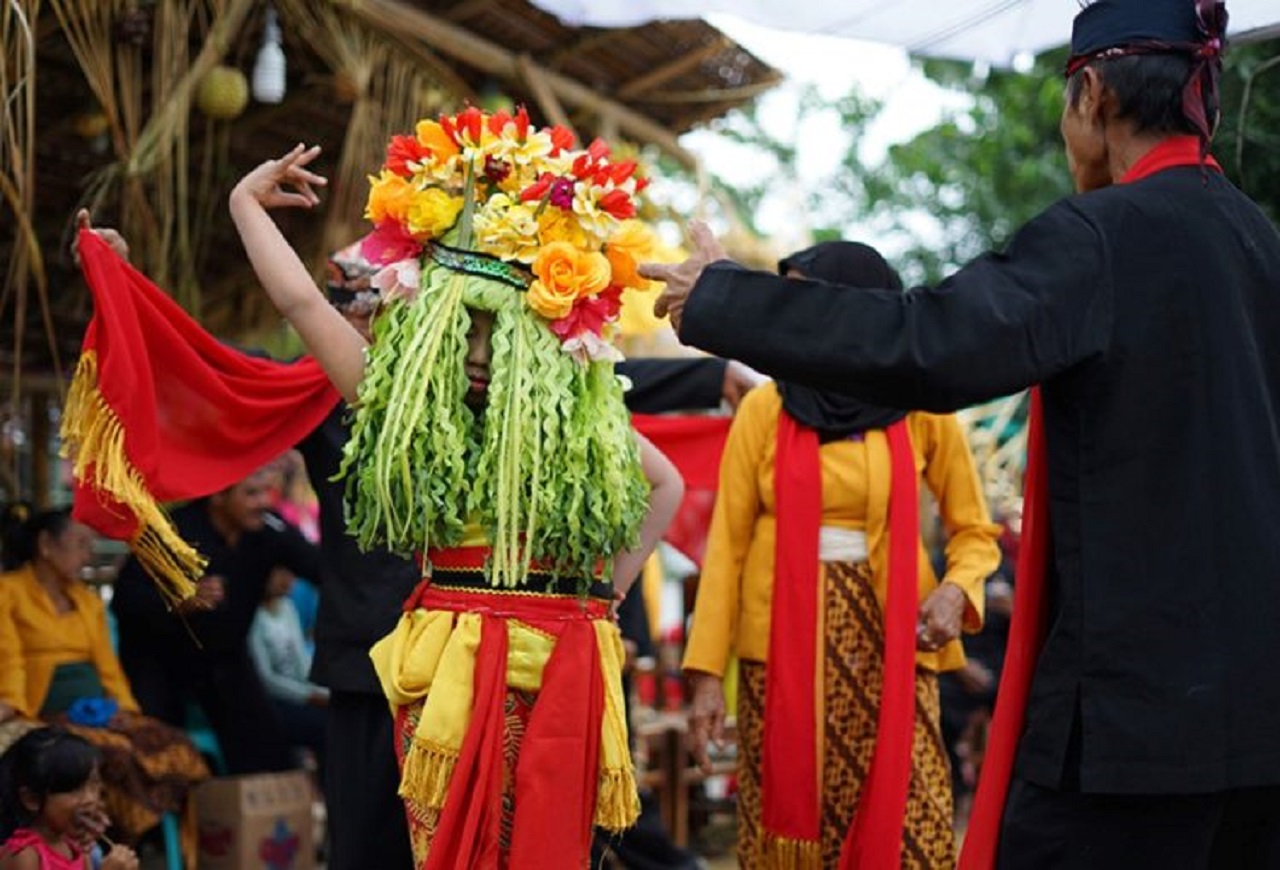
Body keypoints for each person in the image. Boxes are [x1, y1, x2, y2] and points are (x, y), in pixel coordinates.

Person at [644, 1, 1280, 866]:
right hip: (1257, 716)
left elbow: (927, 341)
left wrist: (726, 297)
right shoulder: (1257, 239)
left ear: (1093, 94)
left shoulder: (1104, 236)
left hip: (1136, 720)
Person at [227, 111, 684, 869]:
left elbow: (665, 483)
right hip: (459, 666)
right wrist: (246, 203)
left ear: (534, 340)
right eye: (460, 330)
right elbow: (303, 305)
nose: (476, 354)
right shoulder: (395, 399)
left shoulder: (575, 416)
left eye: (495, 335)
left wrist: (602, 597)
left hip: (555, 663)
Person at [680, 241, 1000, 868]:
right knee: (794, 828)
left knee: (912, 824)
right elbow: (728, 548)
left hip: (895, 644)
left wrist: (956, 589)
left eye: (810, 302)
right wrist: (706, 678)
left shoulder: (922, 405)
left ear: (860, 308)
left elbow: (974, 530)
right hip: (780, 651)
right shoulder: (765, 408)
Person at [0, 508, 207, 861]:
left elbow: (107, 666)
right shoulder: (9, 592)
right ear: (46, 545)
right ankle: (108, 844)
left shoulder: (87, 601)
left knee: (173, 745)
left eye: (90, 545)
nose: (87, 555)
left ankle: (159, 848)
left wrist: (124, 709)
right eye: (80, 544)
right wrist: (16, 707)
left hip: (96, 710)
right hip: (42, 709)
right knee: (115, 757)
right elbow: (10, 659)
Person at [110, 469, 322, 776]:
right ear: (218, 496)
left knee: (264, 744)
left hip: (225, 655)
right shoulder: (172, 531)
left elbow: (320, 568)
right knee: (158, 748)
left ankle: (249, 807)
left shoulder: (269, 527)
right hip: (159, 658)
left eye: (267, 492)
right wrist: (179, 603)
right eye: (251, 493)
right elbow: (125, 600)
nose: (263, 502)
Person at [0, 727, 138, 870]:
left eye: (94, 784)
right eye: (75, 790)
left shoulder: (76, 844)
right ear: (32, 799)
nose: (90, 799)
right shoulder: (24, 855)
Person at [247, 567, 328, 784]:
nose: (288, 579)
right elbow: (266, 679)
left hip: (300, 695)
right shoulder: (252, 614)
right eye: (280, 573)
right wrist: (308, 696)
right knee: (322, 726)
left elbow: (302, 663)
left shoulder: (287, 607)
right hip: (272, 702)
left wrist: (324, 693)